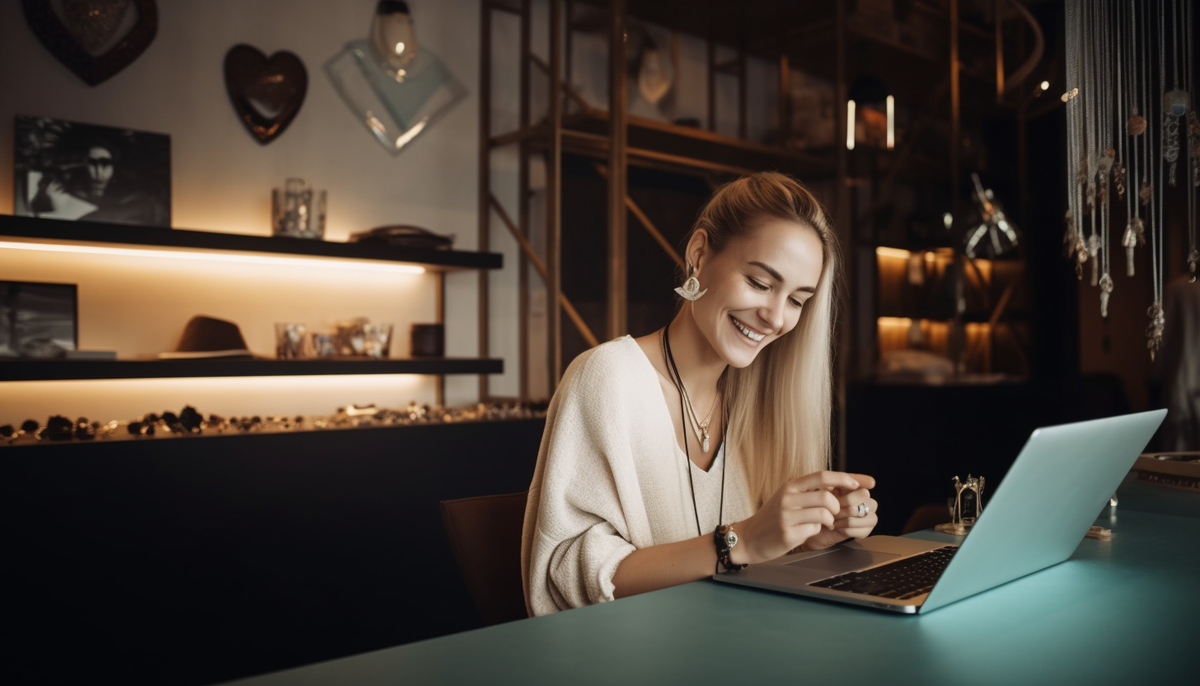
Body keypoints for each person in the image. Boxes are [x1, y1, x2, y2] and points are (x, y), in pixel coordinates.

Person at [521, 171, 878, 616]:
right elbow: (569, 576)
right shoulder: (609, 378)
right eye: (761, 283)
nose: (775, 317)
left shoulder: (758, 402)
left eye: (797, 300)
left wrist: (804, 538)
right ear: (698, 254)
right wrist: (742, 540)